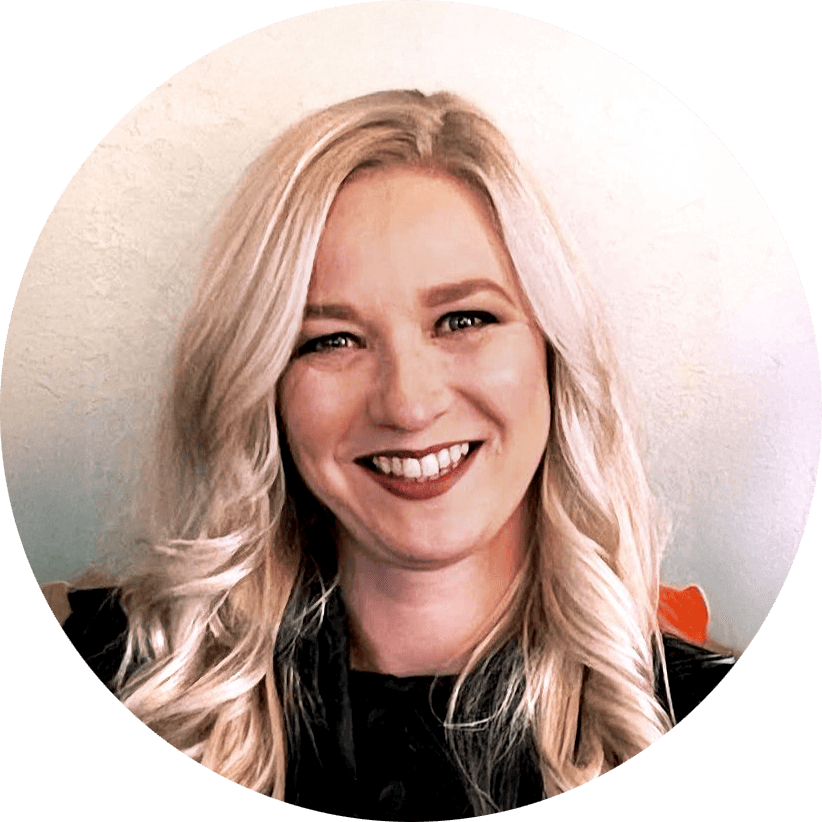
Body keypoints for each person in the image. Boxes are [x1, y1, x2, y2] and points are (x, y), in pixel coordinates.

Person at [55, 90, 734, 820]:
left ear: (553, 354)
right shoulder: (109, 676)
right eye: (330, 340)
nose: (408, 405)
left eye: (463, 319)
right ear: (264, 388)